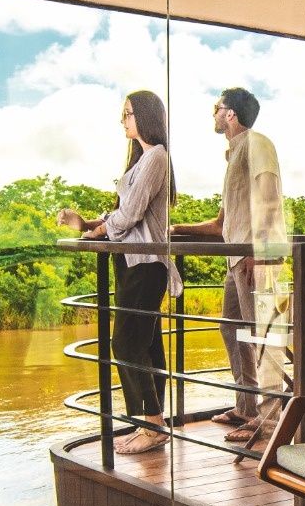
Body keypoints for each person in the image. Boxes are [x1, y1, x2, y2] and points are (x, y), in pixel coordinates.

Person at [58, 90, 184, 454]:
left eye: (127, 113)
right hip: (132, 264)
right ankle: (151, 423)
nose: (123, 120)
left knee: (126, 344)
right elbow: (123, 213)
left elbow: (130, 215)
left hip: (146, 265)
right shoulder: (142, 160)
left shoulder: (157, 156)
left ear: (144, 115)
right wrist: (86, 223)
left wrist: (98, 230)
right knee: (146, 344)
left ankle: (153, 425)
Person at [171, 86, 285, 447]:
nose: (214, 114)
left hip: (255, 258)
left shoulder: (257, 143)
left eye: (217, 108)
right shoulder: (235, 155)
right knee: (231, 328)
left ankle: (270, 421)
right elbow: (221, 224)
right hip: (236, 258)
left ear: (231, 113)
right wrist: (175, 229)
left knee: (263, 336)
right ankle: (246, 407)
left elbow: (270, 196)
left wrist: (257, 249)